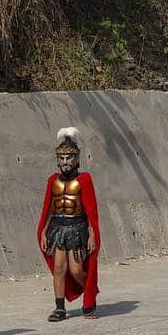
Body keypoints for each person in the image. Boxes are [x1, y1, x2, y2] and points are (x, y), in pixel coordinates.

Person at [37, 126, 100, 319]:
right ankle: (59, 308)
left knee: (76, 270)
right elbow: (48, 209)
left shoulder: (84, 180)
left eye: (69, 158)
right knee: (59, 269)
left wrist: (92, 233)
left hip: (77, 228)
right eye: (61, 158)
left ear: (77, 159)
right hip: (57, 228)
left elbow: (91, 210)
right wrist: (43, 232)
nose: (65, 162)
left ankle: (90, 292)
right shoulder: (52, 181)